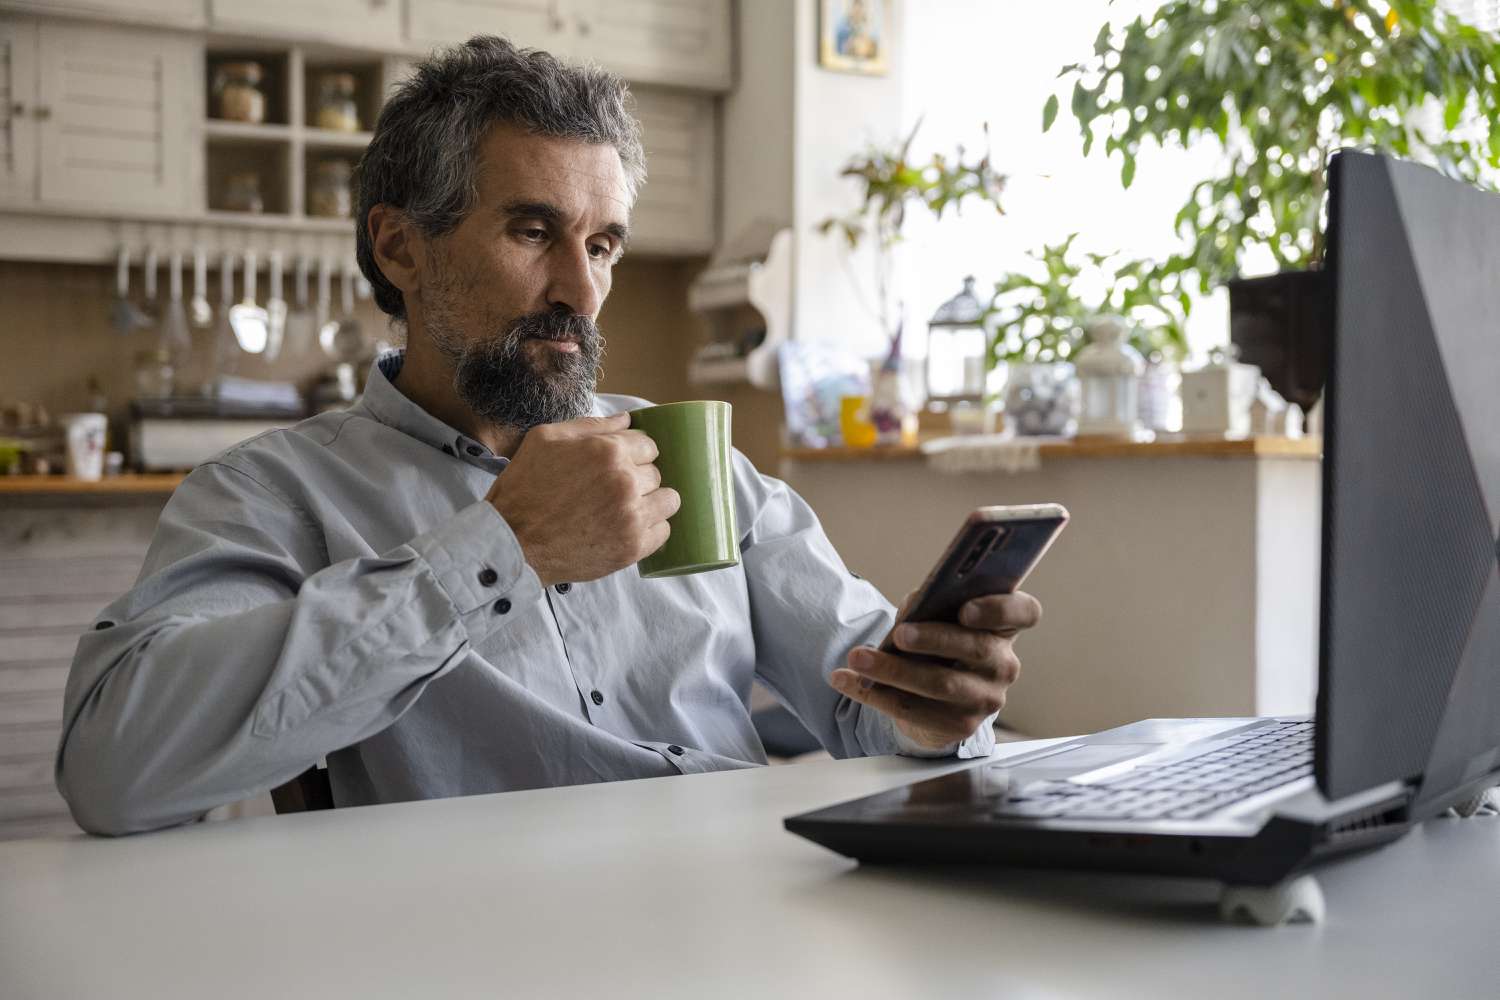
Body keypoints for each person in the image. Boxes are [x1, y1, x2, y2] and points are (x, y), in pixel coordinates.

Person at [55, 36, 1042, 836]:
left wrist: (933, 701)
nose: (580, 289)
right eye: (533, 232)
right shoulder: (275, 496)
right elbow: (113, 770)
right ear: (401, 246)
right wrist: (501, 550)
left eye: (602, 244)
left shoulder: (691, 458)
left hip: (741, 918)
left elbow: (863, 704)